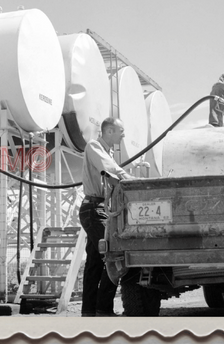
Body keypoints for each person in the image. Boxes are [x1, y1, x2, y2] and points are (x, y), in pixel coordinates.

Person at [79, 117, 135, 317]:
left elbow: (111, 178)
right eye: (121, 131)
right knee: (113, 256)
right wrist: (133, 181)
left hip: (99, 209)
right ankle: (103, 308)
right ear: (109, 131)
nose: (124, 135)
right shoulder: (95, 147)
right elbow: (110, 169)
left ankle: (89, 310)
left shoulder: (107, 153)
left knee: (95, 261)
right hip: (95, 210)